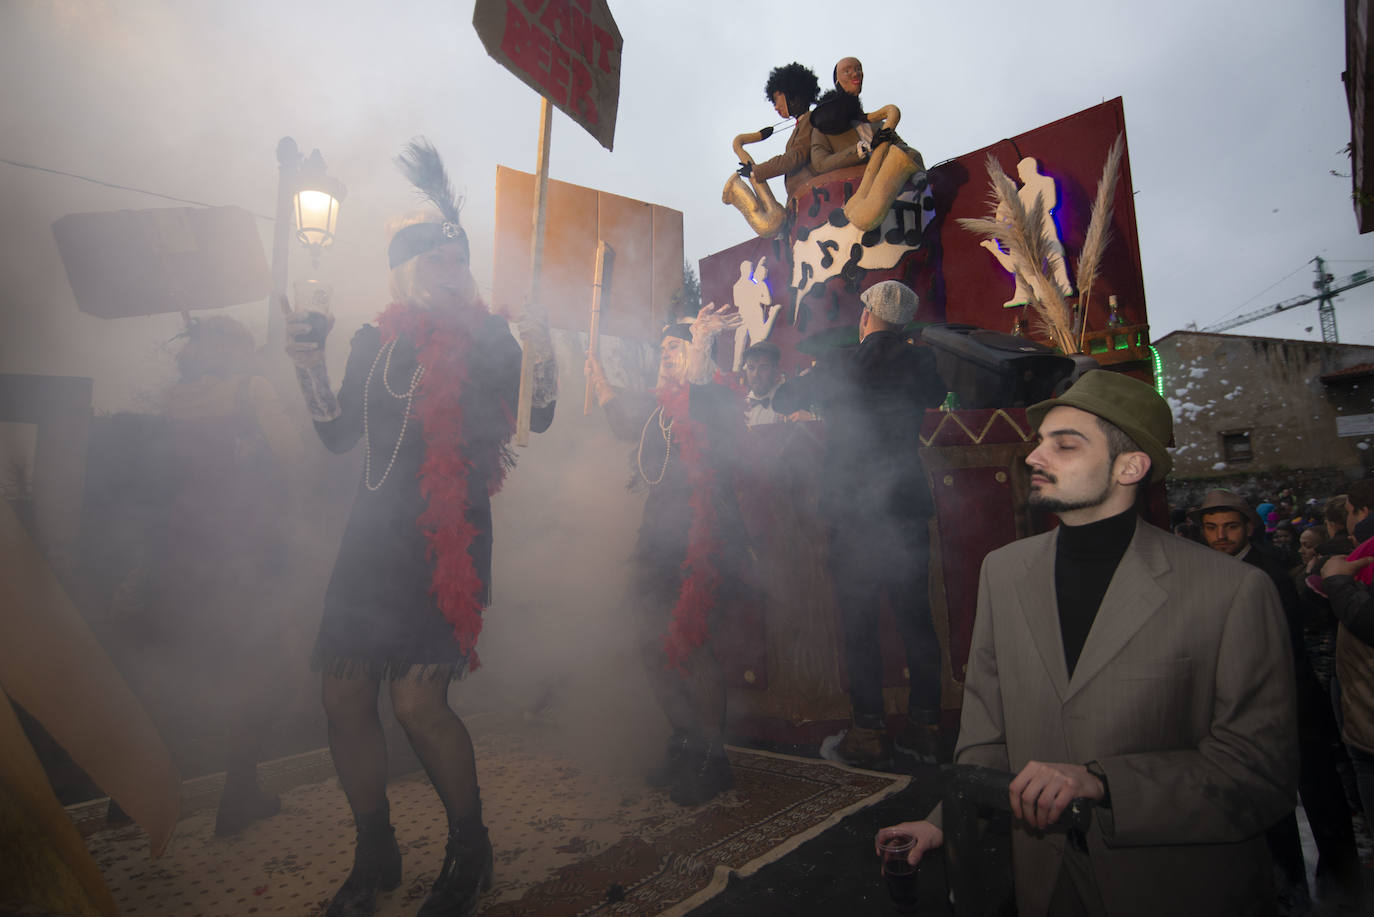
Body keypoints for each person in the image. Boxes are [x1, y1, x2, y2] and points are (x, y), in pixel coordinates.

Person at [877, 370, 1298, 917]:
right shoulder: (1003, 573)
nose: (1034, 456)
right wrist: (945, 822)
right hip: (1043, 884)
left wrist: (1103, 784)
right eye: (1039, 441)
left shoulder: (1233, 590)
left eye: (1065, 444)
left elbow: (1259, 775)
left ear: (1130, 466)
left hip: (1174, 887)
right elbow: (988, 738)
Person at [284, 140, 557, 917]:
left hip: (448, 543)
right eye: (436, 259)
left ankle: (470, 847)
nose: (451, 268)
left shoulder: (490, 338)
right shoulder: (374, 340)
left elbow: (535, 415)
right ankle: (376, 849)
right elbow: (338, 435)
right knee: (343, 694)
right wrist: (309, 362)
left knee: (416, 703)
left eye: (459, 258)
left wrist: (545, 349)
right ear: (406, 268)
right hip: (371, 535)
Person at [772, 280, 946, 768]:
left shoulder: (840, 364)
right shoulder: (922, 362)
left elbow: (784, 400)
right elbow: (939, 393)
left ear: (866, 317)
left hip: (853, 509)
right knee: (917, 620)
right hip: (905, 504)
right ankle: (926, 729)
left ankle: (869, 732)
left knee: (860, 622)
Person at [144, 315, 302, 836]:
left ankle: (140, 790)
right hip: (243, 541)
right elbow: (293, 455)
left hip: (185, 540)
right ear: (239, 353)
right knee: (263, 667)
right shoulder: (249, 389)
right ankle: (237, 791)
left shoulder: (175, 398)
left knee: (190, 663)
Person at [585, 304, 747, 806]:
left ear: (696, 353)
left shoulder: (714, 397)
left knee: (693, 643)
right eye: (663, 348)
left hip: (701, 538)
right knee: (647, 640)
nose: (664, 356)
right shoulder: (659, 406)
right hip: (656, 536)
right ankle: (683, 739)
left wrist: (700, 345)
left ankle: (712, 757)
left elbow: (702, 397)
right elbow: (622, 421)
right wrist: (599, 378)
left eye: (673, 347)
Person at [1192, 489, 1363, 910]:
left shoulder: (1263, 572)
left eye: (1229, 526)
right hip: (1250, 700)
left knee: (1316, 793)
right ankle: (1293, 886)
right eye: (1211, 528)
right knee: (1272, 797)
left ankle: (1336, 887)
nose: (1221, 536)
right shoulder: (1209, 570)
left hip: (1289, 696)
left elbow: (1281, 641)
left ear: (1248, 526)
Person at [808, 57, 924, 231]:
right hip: (854, 204)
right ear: (837, 81)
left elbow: (905, 150)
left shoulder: (876, 123)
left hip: (899, 209)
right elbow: (820, 163)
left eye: (858, 69)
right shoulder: (822, 130)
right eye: (847, 71)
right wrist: (863, 149)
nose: (855, 74)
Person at [745, 62, 820, 201]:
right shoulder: (804, 122)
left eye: (775, 99)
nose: (775, 107)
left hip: (812, 198)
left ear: (790, 94)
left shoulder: (809, 120)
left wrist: (756, 171)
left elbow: (796, 157)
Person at [741, 341, 784, 427]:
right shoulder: (741, 407)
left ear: (775, 369)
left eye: (763, 367)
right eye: (751, 368)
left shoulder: (788, 402)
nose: (755, 374)